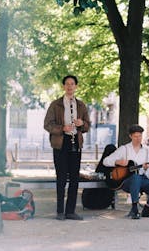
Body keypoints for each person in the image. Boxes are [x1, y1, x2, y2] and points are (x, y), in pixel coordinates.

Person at [44, 75, 90, 221]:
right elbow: (47, 125)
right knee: (61, 178)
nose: (70, 87)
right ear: (64, 86)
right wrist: (62, 128)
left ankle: (70, 211)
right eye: (67, 84)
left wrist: (81, 123)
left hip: (75, 143)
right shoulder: (55, 104)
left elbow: (88, 125)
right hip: (60, 145)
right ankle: (59, 211)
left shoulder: (81, 105)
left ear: (76, 86)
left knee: (74, 179)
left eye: (72, 84)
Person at [102, 124, 149, 219]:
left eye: (140, 136)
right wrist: (117, 161)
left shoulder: (146, 150)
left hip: (142, 179)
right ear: (130, 136)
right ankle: (134, 208)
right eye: (135, 136)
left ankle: (147, 209)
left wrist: (146, 169)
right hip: (126, 181)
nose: (138, 139)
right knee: (135, 178)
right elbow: (105, 161)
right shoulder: (124, 149)